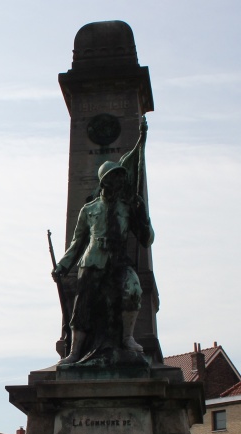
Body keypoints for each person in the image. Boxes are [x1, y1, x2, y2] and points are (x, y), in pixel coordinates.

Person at [52, 116, 154, 366]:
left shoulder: (129, 207)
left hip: (119, 262)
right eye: (113, 178)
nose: (118, 181)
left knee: (133, 290)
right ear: (104, 181)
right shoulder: (90, 209)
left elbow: (146, 239)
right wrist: (63, 266)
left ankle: (128, 338)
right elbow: (77, 242)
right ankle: (75, 352)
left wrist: (144, 218)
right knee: (83, 307)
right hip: (93, 262)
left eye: (120, 177)